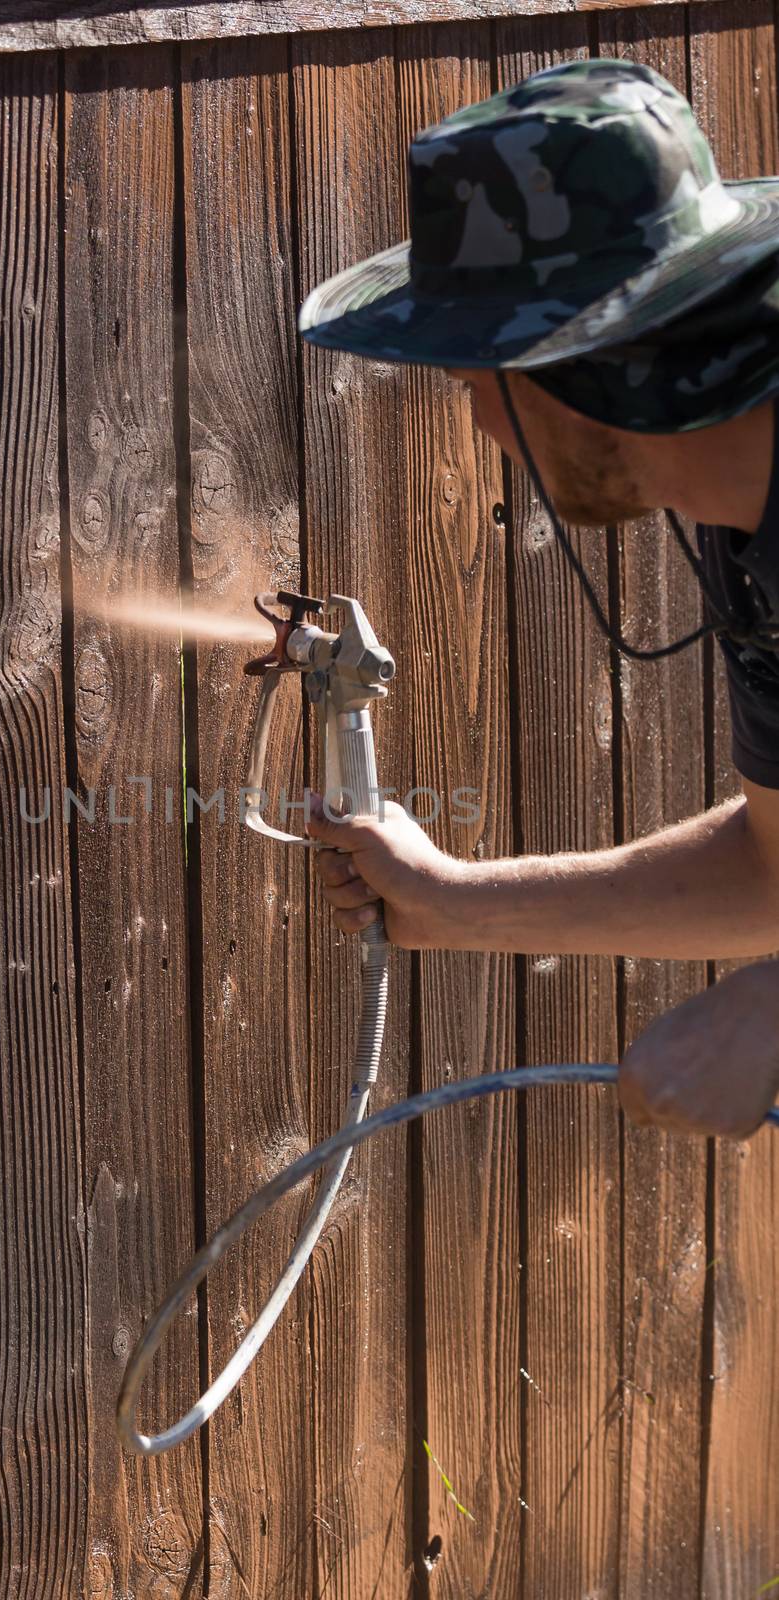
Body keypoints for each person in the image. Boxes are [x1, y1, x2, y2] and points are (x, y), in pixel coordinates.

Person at [298, 58, 779, 1139]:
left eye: (479, 381)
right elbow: (770, 869)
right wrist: (449, 899)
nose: (476, 426)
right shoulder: (738, 528)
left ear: (593, 366)